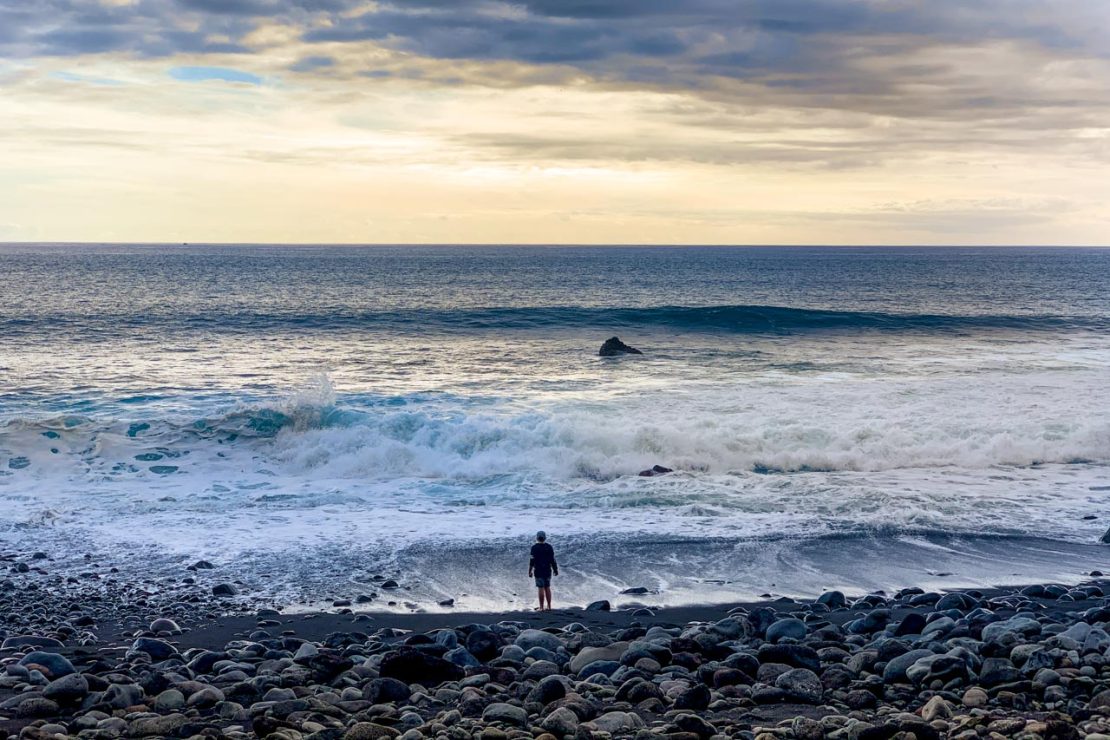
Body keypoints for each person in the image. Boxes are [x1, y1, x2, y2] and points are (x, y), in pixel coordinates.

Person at [528, 530, 558, 611]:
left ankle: (541, 607)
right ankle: (549, 606)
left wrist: (530, 571)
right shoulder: (549, 547)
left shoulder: (534, 548)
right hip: (547, 570)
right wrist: (555, 570)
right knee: (547, 587)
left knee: (540, 588)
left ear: (537, 538)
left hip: (538, 570)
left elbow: (532, 561)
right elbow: (552, 560)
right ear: (545, 538)